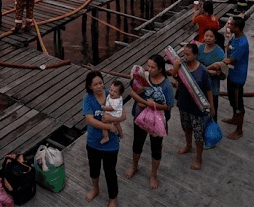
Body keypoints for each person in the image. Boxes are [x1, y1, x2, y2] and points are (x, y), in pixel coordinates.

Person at [124, 54, 174, 190]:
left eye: (153, 67)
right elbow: (132, 92)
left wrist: (154, 106)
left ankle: (153, 175)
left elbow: (168, 105)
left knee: (156, 148)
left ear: (160, 69)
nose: (149, 69)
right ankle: (134, 166)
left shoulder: (166, 85)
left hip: (156, 122)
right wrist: (146, 103)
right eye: (148, 66)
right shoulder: (142, 76)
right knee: (137, 143)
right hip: (140, 117)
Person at [170, 43, 213, 170]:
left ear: (195, 55)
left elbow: (209, 89)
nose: (185, 56)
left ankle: (198, 157)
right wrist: (175, 67)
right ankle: (188, 145)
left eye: (188, 54)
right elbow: (174, 76)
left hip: (197, 107)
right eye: (184, 54)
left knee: (198, 133)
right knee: (186, 127)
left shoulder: (203, 70)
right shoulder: (182, 67)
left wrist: (212, 106)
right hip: (184, 103)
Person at [84, 71, 120, 207]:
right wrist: (108, 126)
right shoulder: (87, 98)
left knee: (110, 171)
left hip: (111, 143)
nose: (99, 86)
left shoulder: (112, 95)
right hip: (93, 142)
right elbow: (90, 120)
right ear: (90, 86)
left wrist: (113, 122)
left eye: (100, 83)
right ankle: (95, 188)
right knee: (94, 169)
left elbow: (122, 114)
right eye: (95, 84)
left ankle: (113, 198)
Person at [222, 17, 249, 140]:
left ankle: (239, 130)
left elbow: (230, 59)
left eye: (231, 25)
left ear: (237, 28)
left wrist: (216, 62)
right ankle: (234, 119)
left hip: (238, 77)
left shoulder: (242, 43)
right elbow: (228, 47)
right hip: (232, 74)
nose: (229, 26)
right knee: (232, 98)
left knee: (238, 104)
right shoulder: (235, 37)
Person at [198, 28, 226, 123]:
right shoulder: (200, 48)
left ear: (215, 39)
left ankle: (212, 131)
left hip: (212, 85)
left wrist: (216, 72)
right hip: (200, 84)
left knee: (212, 110)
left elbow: (224, 73)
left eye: (211, 36)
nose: (208, 38)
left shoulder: (219, 52)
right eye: (206, 36)